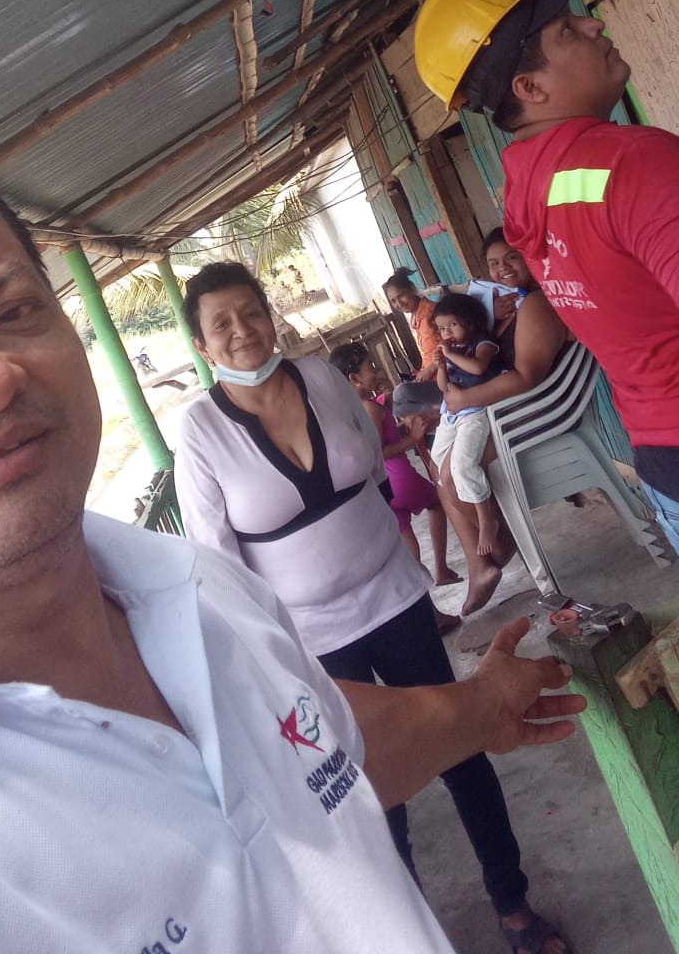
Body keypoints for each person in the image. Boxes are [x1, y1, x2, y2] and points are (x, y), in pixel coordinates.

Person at [0, 127, 584, 954]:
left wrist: (482, 704)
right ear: (199, 344)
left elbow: (322, 750)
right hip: (330, 628)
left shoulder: (201, 592)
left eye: (10, 311)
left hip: (392, 600)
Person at [175, 260, 575, 954]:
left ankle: (514, 908)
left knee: (464, 747)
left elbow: (366, 461)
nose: (241, 330)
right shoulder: (200, 431)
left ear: (269, 316)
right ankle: (408, 937)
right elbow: (216, 562)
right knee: (368, 796)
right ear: (202, 345)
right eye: (221, 323)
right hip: (313, 644)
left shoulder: (321, 377)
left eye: (250, 311)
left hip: (396, 600)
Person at [413, 0, 679, 553]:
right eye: (567, 29)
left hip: (661, 462)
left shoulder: (528, 198)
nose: (593, 25)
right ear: (530, 89)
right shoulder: (634, 163)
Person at [392, 229, 567, 614]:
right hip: (500, 406)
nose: (503, 268)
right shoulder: (512, 303)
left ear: (531, 256)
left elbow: (526, 376)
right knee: (440, 469)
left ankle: (496, 547)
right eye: (493, 263)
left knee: (451, 472)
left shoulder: (536, 303)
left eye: (512, 258)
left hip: (528, 410)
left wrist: (463, 399)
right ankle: (482, 563)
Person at [328, 340, 461, 586]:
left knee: (410, 550)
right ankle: (441, 569)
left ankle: (421, 596)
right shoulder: (370, 408)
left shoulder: (352, 410)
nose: (375, 370)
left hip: (384, 488)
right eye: (370, 367)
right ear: (355, 379)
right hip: (400, 478)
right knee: (437, 503)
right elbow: (380, 452)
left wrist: (387, 402)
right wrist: (413, 438)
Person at [431, 293, 503, 558]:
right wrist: (442, 366)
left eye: (452, 325)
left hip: (475, 412)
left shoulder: (483, 344)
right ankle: (474, 506)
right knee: (437, 458)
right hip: (452, 413)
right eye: (442, 328)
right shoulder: (453, 352)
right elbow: (443, 386)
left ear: (470, 322)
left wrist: (450, 354)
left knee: (461, 465)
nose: (447, 332)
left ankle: (486, 517)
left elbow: (478, 369)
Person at [383, 268, 443, 388]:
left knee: (402, 391)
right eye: (393, 301)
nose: (399, 304)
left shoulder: (432, 312)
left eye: (401, 296)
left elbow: (455, 343)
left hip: (445, 378)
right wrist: (422, 370)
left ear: (412, 289)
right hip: (431, 378)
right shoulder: (415, 318)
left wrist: (431, 369)